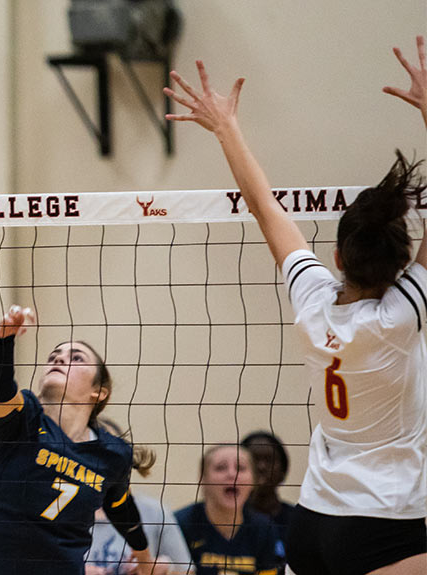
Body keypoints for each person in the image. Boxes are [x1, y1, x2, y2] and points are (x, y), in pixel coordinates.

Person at [164, 35, 427, 575]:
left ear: (336, 255)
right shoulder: (401, 319)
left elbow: (264, 206)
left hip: (313, 517)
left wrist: (226, 128)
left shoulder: (312, 300)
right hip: (384, 522)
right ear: (400, 267)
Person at [0, 304, 160, 575]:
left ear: (99, 392)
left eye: (76, 358)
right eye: (53, 356)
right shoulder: (26, 417)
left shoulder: (112, 454)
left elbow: (120, 508)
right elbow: (1, 389)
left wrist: (144, 559)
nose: (59, 360)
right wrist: (2, 341)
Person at [86, 420, 194, 575]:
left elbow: (188, 572)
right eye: (94, 451)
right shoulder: (59, 509)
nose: (103, 460)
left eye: (110, 452)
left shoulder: (155, 512)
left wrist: (165, 569)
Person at [175, 446, 283, 575]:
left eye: (240, 468)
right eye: (221, 467)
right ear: (202, 479)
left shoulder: (264, 528)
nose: (232, 474)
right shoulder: (181, 523)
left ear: (253, 480)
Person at [240, 431, 293, 544]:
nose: (261, 467)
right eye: (254, 460)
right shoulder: (228, 517)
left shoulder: (296, 520)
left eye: (269, 460)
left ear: (283, 472)